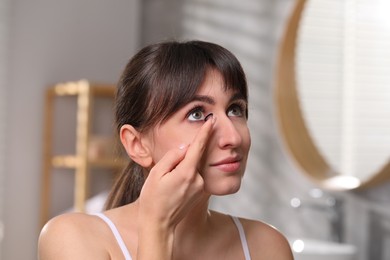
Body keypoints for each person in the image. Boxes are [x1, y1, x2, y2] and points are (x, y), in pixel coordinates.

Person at [38, 40, 293, 260]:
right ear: (137, 144)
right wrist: (157, 228)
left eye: (235, 109)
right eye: (197, 113)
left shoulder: (266, 247)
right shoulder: (74, 239)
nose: (233, 137)